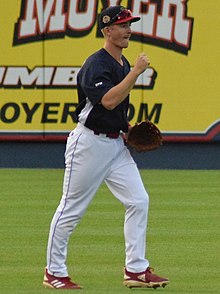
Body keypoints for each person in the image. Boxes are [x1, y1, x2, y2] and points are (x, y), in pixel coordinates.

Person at [43, 5, 169, 290]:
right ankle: (54, 272)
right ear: (107, 30)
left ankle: (136, 269)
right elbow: (108, 101)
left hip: (115, 146)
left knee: (138, 200)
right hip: (88, 145)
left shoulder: (122, 63)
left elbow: (115, 109)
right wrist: (137, 72)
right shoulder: (96, 65)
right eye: (123, 25)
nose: (128, 30)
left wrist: (127, 127)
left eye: (129, 24)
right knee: (71, 209)